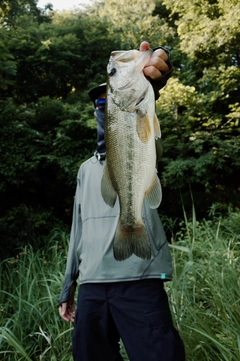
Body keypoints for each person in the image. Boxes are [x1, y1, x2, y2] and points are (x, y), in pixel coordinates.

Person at [58, 41, 185, 361]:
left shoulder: (142, 122)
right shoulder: (86, 170)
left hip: (140, 280)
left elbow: (144, 127)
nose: (104, 103)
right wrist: (67, 288)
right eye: (99, 101)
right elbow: (77, 230)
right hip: (91, 287)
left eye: (107, 96)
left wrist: (157, 76)